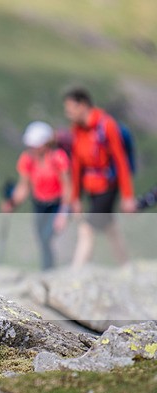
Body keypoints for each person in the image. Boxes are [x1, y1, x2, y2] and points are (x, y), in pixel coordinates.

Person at [63, 87, 137, 268]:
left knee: (87, 229)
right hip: (91, 186)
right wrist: (75, 197)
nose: (68, 114)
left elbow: (121, 161)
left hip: (108, 186)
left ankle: (76, 270)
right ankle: (126, 265)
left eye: (70, 109)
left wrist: (128, 196)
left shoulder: (107, 125)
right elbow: (77, 165)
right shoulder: (77, 130)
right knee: (109, 227)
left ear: (82, 105)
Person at [1, 121, 71, 270]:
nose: (32, 148)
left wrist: (63, 214)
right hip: (39, 204)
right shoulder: (27, 160)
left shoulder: (58, 158)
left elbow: (67, 187)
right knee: (41, 239)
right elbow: (24, 186)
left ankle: (49, 270)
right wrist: (13, 203)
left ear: (45, 144)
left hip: (57, 204)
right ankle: (47, 269)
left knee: (46, 237)